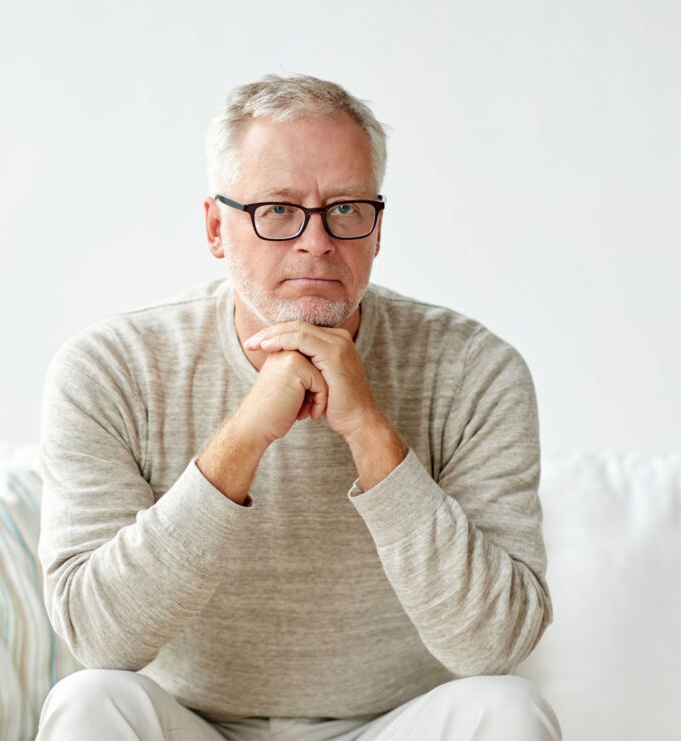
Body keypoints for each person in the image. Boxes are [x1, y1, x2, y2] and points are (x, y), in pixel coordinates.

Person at [36, 74, 561, 740]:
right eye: (278, 209)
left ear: (377, 229)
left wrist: (369, 430)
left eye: (345, 208)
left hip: (396, 724)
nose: (317, 241)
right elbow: (100, 636)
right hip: (193, 724)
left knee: (509, 708)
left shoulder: (477, 371)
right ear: (216, 228)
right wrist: (250, 429)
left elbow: (494, 646)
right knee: (90, 700)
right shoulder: (109, 368)